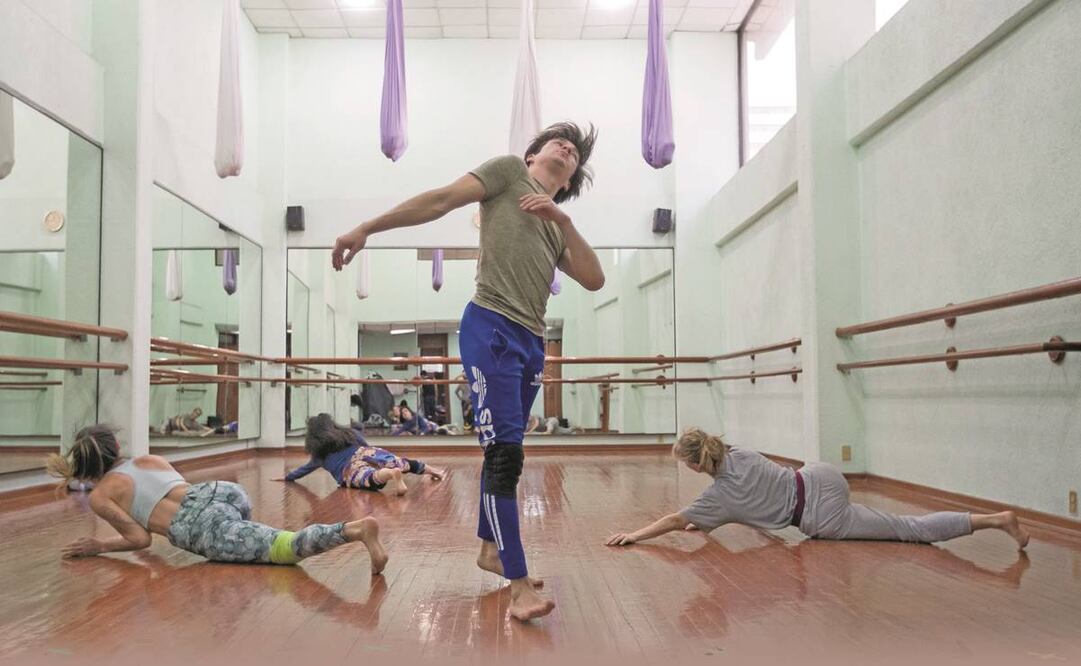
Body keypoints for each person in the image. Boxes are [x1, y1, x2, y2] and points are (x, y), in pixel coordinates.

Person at [331, 122, 604, 621]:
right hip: (491, 326)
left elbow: (594, 278)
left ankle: (490, 551)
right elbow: (440, 200)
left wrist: (564, 221)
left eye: (574, 153)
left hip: (531, 342)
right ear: (532, 156)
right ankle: (518, 585)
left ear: (570, 179)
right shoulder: (508, 173)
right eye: (558, 141)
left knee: (506, 449)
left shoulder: (555, 221)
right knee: (505, 455)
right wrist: (367, 227)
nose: (567, 148)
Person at [606, 428, 1031, 550]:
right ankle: (995, 519)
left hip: (821, 517)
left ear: (697, 465)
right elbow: (732, 508)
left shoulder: (716, 497)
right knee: (890, 519)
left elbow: (674, 520)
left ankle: (997, 520)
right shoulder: (741, 453)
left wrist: (634, 535)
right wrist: (704, 522)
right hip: (820, 476)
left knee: (910, 529)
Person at [46, 425, 388, 572]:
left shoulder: (101, 496)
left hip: (197, 526)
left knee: (283, 549)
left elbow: (139, 539)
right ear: (117, 447)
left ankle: (355, 530)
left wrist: (98, 546)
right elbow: (176, 494)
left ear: (86, 468)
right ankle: (247, 536)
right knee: (246, 532)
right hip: (219, 492)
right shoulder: (147, 459)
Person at [277, 413, 444, 495]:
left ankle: (391, 474)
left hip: (348, 468)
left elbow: (303, 470)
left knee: (370, 477)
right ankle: (435, 471)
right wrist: (375, 458)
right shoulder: (349, 433)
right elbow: (366, 447)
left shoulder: (319, 455)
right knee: (402, 462)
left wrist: (287, 477)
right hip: (365, 452)